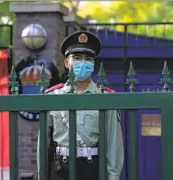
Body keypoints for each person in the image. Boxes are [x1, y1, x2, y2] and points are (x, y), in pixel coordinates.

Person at [37, 30, 124, 180]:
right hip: (60, 169)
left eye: (88, 58)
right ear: (66, 62)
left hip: (91, 169)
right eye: (77, 58)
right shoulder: (52, 97)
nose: (83, 63)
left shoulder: (105, 98)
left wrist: (113, 177)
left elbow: (113, 145)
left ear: (93, 63)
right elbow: (43, 145)